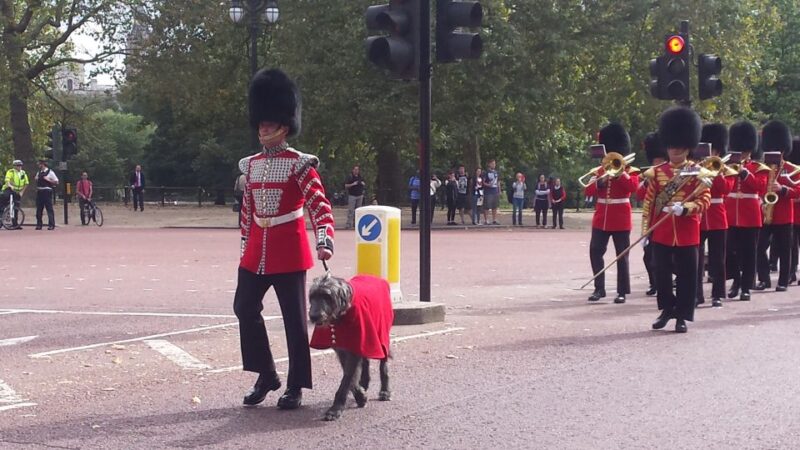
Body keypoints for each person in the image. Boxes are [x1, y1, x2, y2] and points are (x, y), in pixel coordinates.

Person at [233, 68, 335, 410]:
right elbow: (247, 210)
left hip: (289, 250)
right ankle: (266, 373)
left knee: (294, 320)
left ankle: (296, 385)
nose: (263, 126)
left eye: (269, 121)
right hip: (256, 251)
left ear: (285, 124)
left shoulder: (300, 164)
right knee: (244, 308)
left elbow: (319, 205)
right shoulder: (249, 165)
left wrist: (325, 239)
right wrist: (246, 243)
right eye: (260, 121)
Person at [644, 106, 710, 333]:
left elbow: (705, 200)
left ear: (687, 147)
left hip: (687, 231)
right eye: (671, 146)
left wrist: (687, 208)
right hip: (661, 231)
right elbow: (649, 203)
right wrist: (646, 232)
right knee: (660, 273)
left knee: (687, 275)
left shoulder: (697, 173)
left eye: (678, 147)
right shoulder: (657, 172)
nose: (674, 150)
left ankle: (682, 315)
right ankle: (666, 309)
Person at [585, 123, 638, 304]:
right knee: (595, 252)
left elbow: (633, 188)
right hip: (601, 218)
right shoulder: (599, 170)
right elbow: (588, 191)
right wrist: (600, 182)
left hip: (621, 218)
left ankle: (622, 291)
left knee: (622, 256)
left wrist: (620, 174)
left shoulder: (630, 171)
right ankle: (599, 288)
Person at [724, 121, 769, 301]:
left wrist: (744, 173)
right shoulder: (726, 166)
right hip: (730, 215)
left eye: (745, 150)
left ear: (750, 150)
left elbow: (761, 187)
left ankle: (746, 287)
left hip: (750, 215)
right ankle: (736, 279)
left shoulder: (759, 168)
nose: (742, 153)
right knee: (729, 251)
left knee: (749, 253)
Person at [754, 120, 798, 292]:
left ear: (783, 150)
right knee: (759, 247)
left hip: (784, 214)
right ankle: (764, 279)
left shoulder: (792, 169)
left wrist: (783, 189)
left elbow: (798, 189)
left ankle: (783, 281)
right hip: (765, 213)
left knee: (785, 250)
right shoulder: (762, 168)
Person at [695, 124, 736, 308]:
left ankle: (718, 293)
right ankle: (696, 294)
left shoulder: (727, 169)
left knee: (718, 258)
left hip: (718, 216)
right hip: (699, 215)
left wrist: (716, 172)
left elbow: (725, 189)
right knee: (695, 258)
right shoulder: (696, 167)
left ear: (718, 150)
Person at [637, 132, 667, 297]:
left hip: (666, 219)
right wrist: (646, 184)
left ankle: (665, 282)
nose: (657, 163)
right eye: (655, 160)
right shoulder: (648, 175)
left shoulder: (669, 174)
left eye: (660, 160)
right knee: (648, 256)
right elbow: (640, 195)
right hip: (651, 218)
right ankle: (653, 283)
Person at [1, 160, 29, 229]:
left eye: (20, 165)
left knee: (16, 207)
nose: (19, 167)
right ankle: (0, 222)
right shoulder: (11, 172)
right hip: (9, 189)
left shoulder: (23, 173)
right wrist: (10, 186)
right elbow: (7, 180)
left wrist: (22, 192)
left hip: (17, 191)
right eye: (18, 165)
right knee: (2, 205)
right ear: (14, 166)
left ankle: (15, 224)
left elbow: (26, 183)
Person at [34, 159, 59, 230]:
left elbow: (56, 182)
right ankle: (39, 224)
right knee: (39, 209)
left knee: (49, 209)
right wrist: (36, 179)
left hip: (47, 191)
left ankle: (51, 225)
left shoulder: (50, 172)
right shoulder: (39, 172)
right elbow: (37, 179)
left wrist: (48, 180)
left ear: (43, 164)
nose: (39, 166)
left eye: (39, 164)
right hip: (39, 191)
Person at [483, 159, 500, 225]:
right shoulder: (486, 172)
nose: (494, 165)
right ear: (489, 164)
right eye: (492, 163)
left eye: (494, 164)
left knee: (494, 206)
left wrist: (499, 190)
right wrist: (488, 185)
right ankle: (486, 219)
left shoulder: (496, 172)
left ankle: (494, 219)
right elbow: (483, 182)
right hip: (488, 191)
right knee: (487, 206)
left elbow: (498, 182)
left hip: (495, 191)